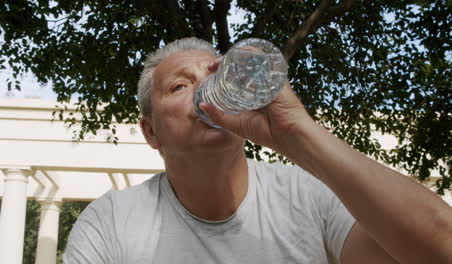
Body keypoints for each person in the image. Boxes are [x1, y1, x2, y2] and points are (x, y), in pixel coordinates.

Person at [63, 37, 452, 264]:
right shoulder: (111, 222)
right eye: (180, 86)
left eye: (215, 77)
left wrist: (297, 134)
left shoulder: (306, 196)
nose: (204, 92)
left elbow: (440, 247)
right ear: (151, 132)